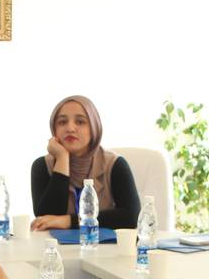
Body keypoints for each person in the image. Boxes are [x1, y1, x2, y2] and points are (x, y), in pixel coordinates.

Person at [30, 95, 140, 230]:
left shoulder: (115, 165)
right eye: (62, 122)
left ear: (94, 127)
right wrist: (62, 158)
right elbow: (45, 219)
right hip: (54, 244)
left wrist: (69, 221)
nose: (70, 128)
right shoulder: (42, 166)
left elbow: (131, 217)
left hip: (104, 244)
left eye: (80, 122)